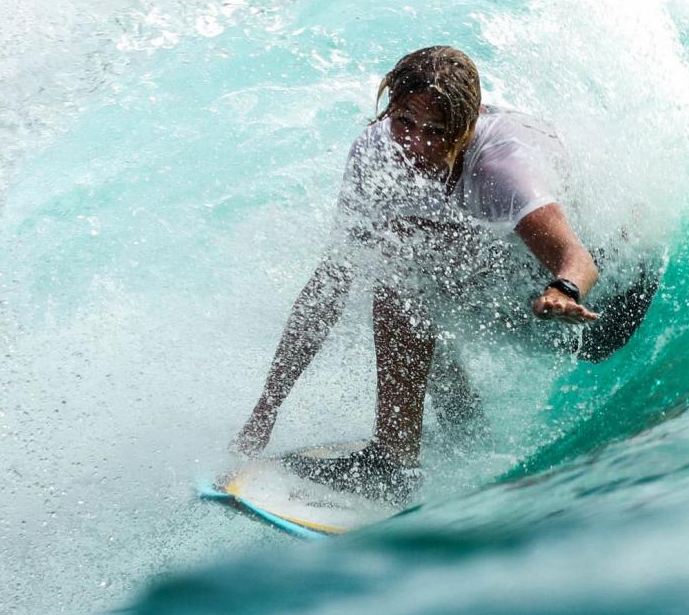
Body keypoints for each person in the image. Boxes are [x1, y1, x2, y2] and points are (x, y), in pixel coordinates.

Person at [230, 46, 658, 502]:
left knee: (407, 274)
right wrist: (266, 409)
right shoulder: (377, 152)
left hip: (601, 309)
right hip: (515, 282)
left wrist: (563, 290)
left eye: (436, 131)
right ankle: (454, 428)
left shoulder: (501, 168)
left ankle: (398, 461)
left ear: (467, 126)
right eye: (404, 122)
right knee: (399, 257)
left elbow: (578, 259)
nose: (415, 143)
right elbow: (329, 287)